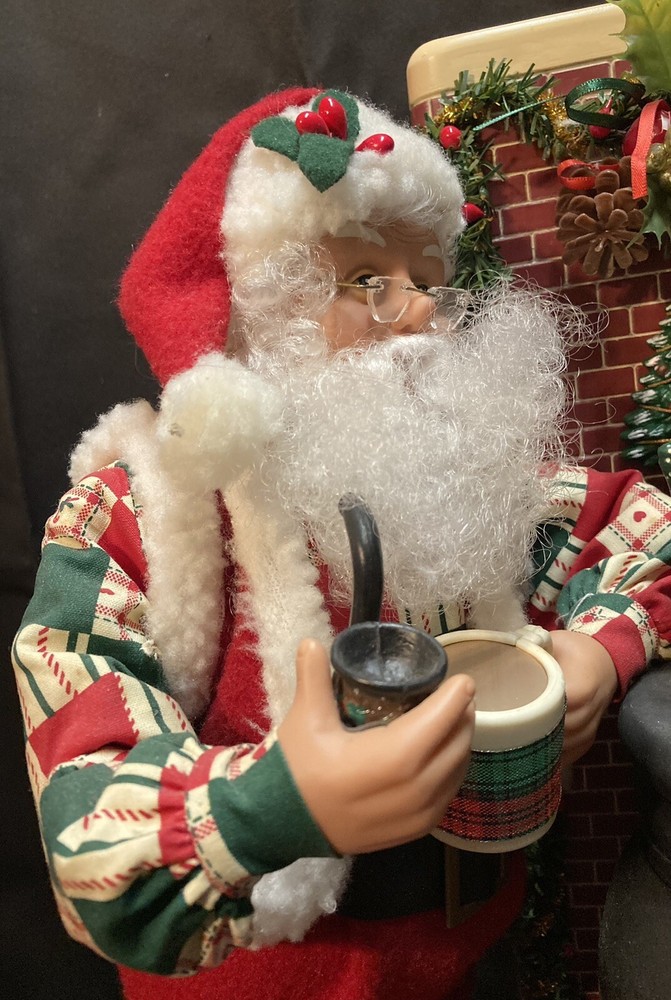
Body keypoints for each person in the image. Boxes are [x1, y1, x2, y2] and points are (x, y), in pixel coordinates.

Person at [12, 86, 671, 1000]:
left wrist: (598, 651)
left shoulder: (463, 487)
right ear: (254, 310)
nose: (419, 313)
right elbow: (87, 837)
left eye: (427, 281)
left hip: (473, 953)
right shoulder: (137, 517)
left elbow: (642, 526)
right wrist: (278, 804)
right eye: (366, 280)